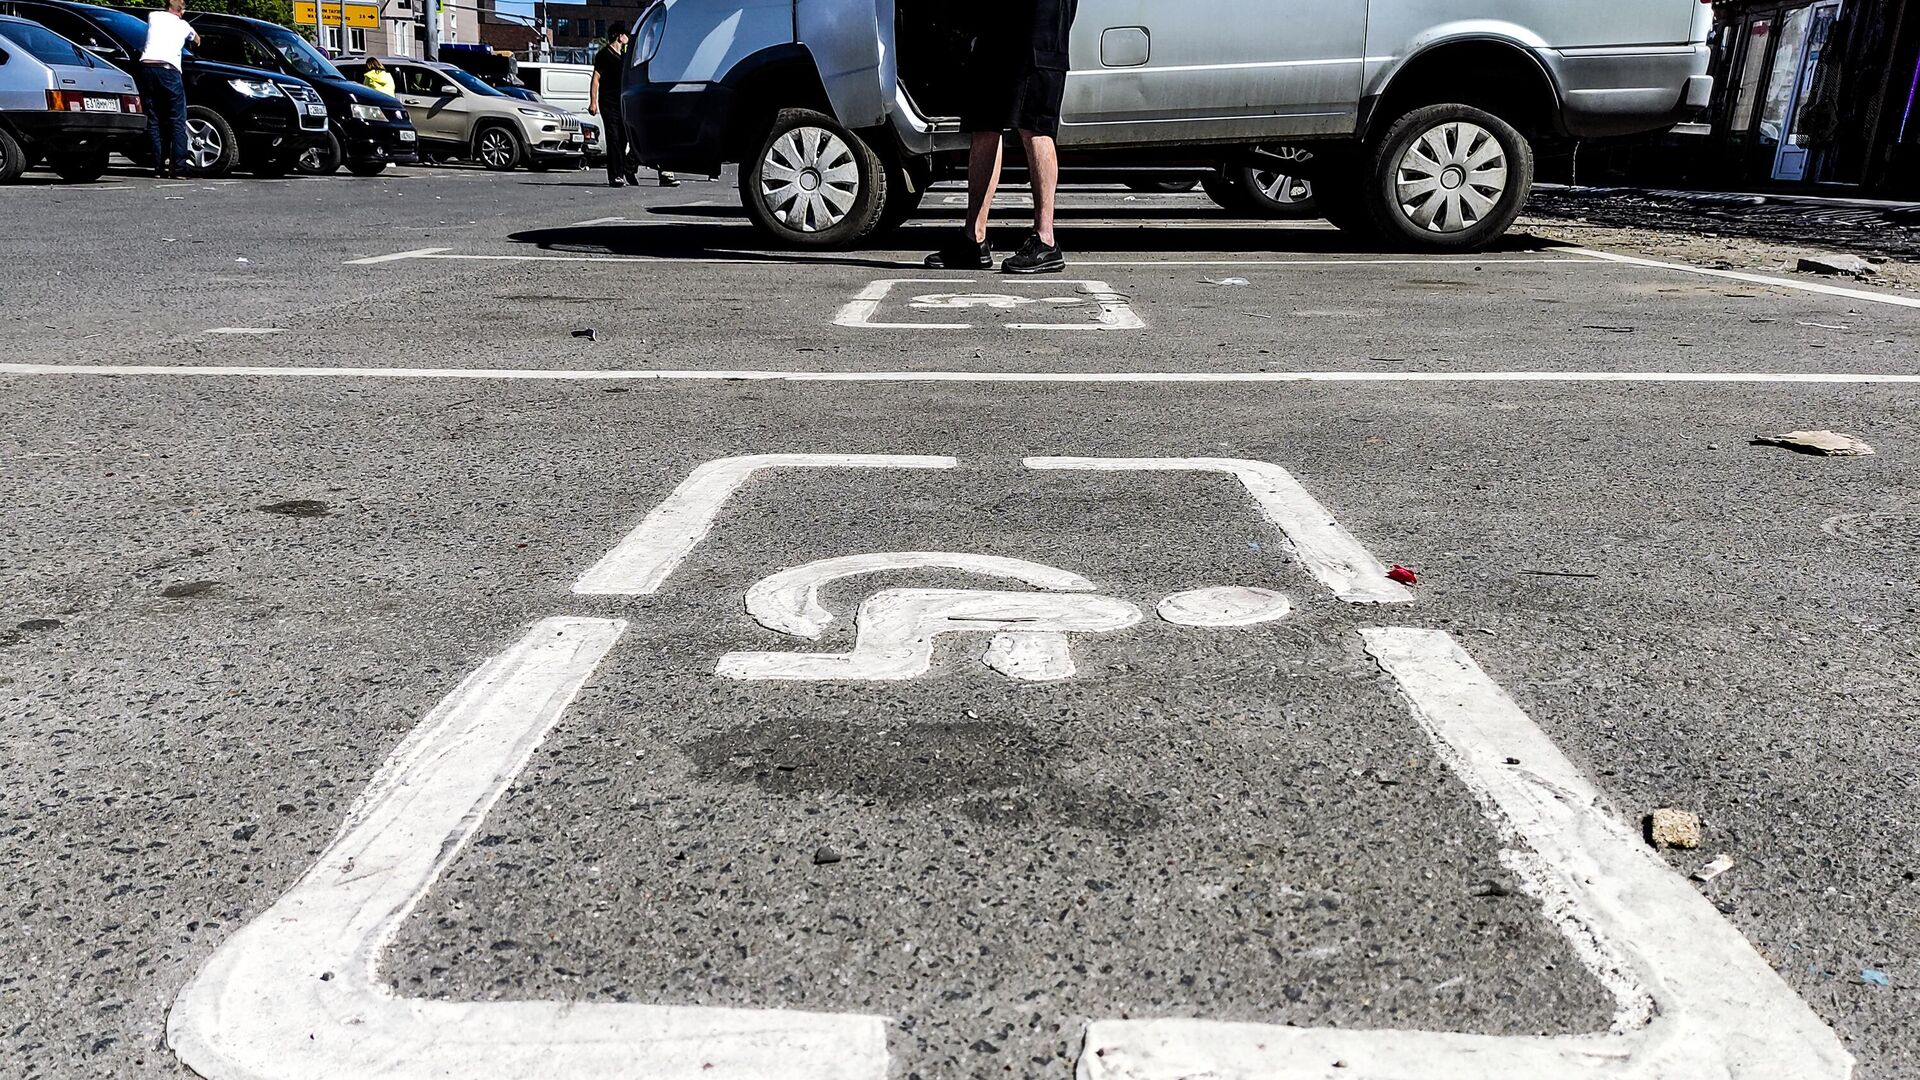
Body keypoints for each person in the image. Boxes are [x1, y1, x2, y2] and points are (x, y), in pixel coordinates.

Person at [927, 0, 1078, 274]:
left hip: (1040, 20)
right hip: (999, 17)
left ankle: (1046, 240)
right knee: (984, 123)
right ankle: (974, 238)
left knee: (1034, 124)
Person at [590, 29, 677, 188]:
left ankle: (625, 170)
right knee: (614, 138)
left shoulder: (625, 57)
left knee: (624, 139)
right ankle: (615, 176)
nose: (628, 38)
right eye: (625, 35)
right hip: (608, 103)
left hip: (623, 103)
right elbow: (596, 78)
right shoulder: (604, 55)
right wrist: (593, 102)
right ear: (619, 36)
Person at [139, 0, 199, 179]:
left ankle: (158, 167)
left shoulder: (153, 16)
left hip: (147, 67)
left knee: (154, 119)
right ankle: (179, 168)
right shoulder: (184, 25)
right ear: (181, 10)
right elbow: (197, 39)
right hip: (169, 71)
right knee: (177, 120)